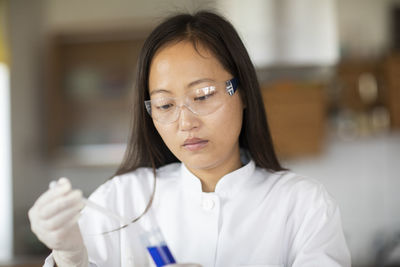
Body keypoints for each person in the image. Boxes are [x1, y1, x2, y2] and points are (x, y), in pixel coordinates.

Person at [28, 10, 351, 267]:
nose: (185, 122)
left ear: (243, 93)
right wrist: (69, 257)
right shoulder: (121, 198)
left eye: (203, 95)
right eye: (165, 105)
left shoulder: (303, 205)